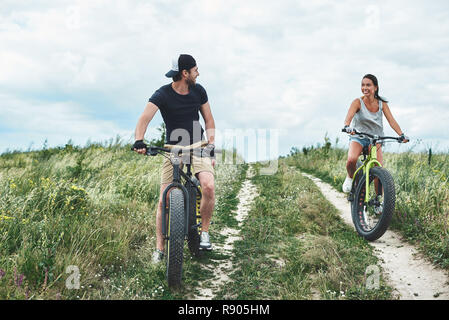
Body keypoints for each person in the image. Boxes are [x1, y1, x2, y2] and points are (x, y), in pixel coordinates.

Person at [132, 54, 216, 263]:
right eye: (195, 70)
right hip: (173, 150)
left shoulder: (199, 90)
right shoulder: (162, 94)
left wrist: (211, 144)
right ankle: (159, 249)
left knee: (208, 186)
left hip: (198, 146)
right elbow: (144, 118)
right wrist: (139, 140)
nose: (198, 73)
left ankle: (204, 233)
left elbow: (209, 120)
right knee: (164, 201)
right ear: (184, 73)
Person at [342, 74, 409, 194]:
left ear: (375, 88)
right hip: (359, 136)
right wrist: (347, 126)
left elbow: (391, 120)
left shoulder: (382, 103)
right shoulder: (357, 102)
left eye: (368, 85)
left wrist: (401, 134)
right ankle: (350, 177)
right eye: (363, 85)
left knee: (378, 168)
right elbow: (348, 118)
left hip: (375, 139)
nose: (365, 88)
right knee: (351, 159)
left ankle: (378, 200)